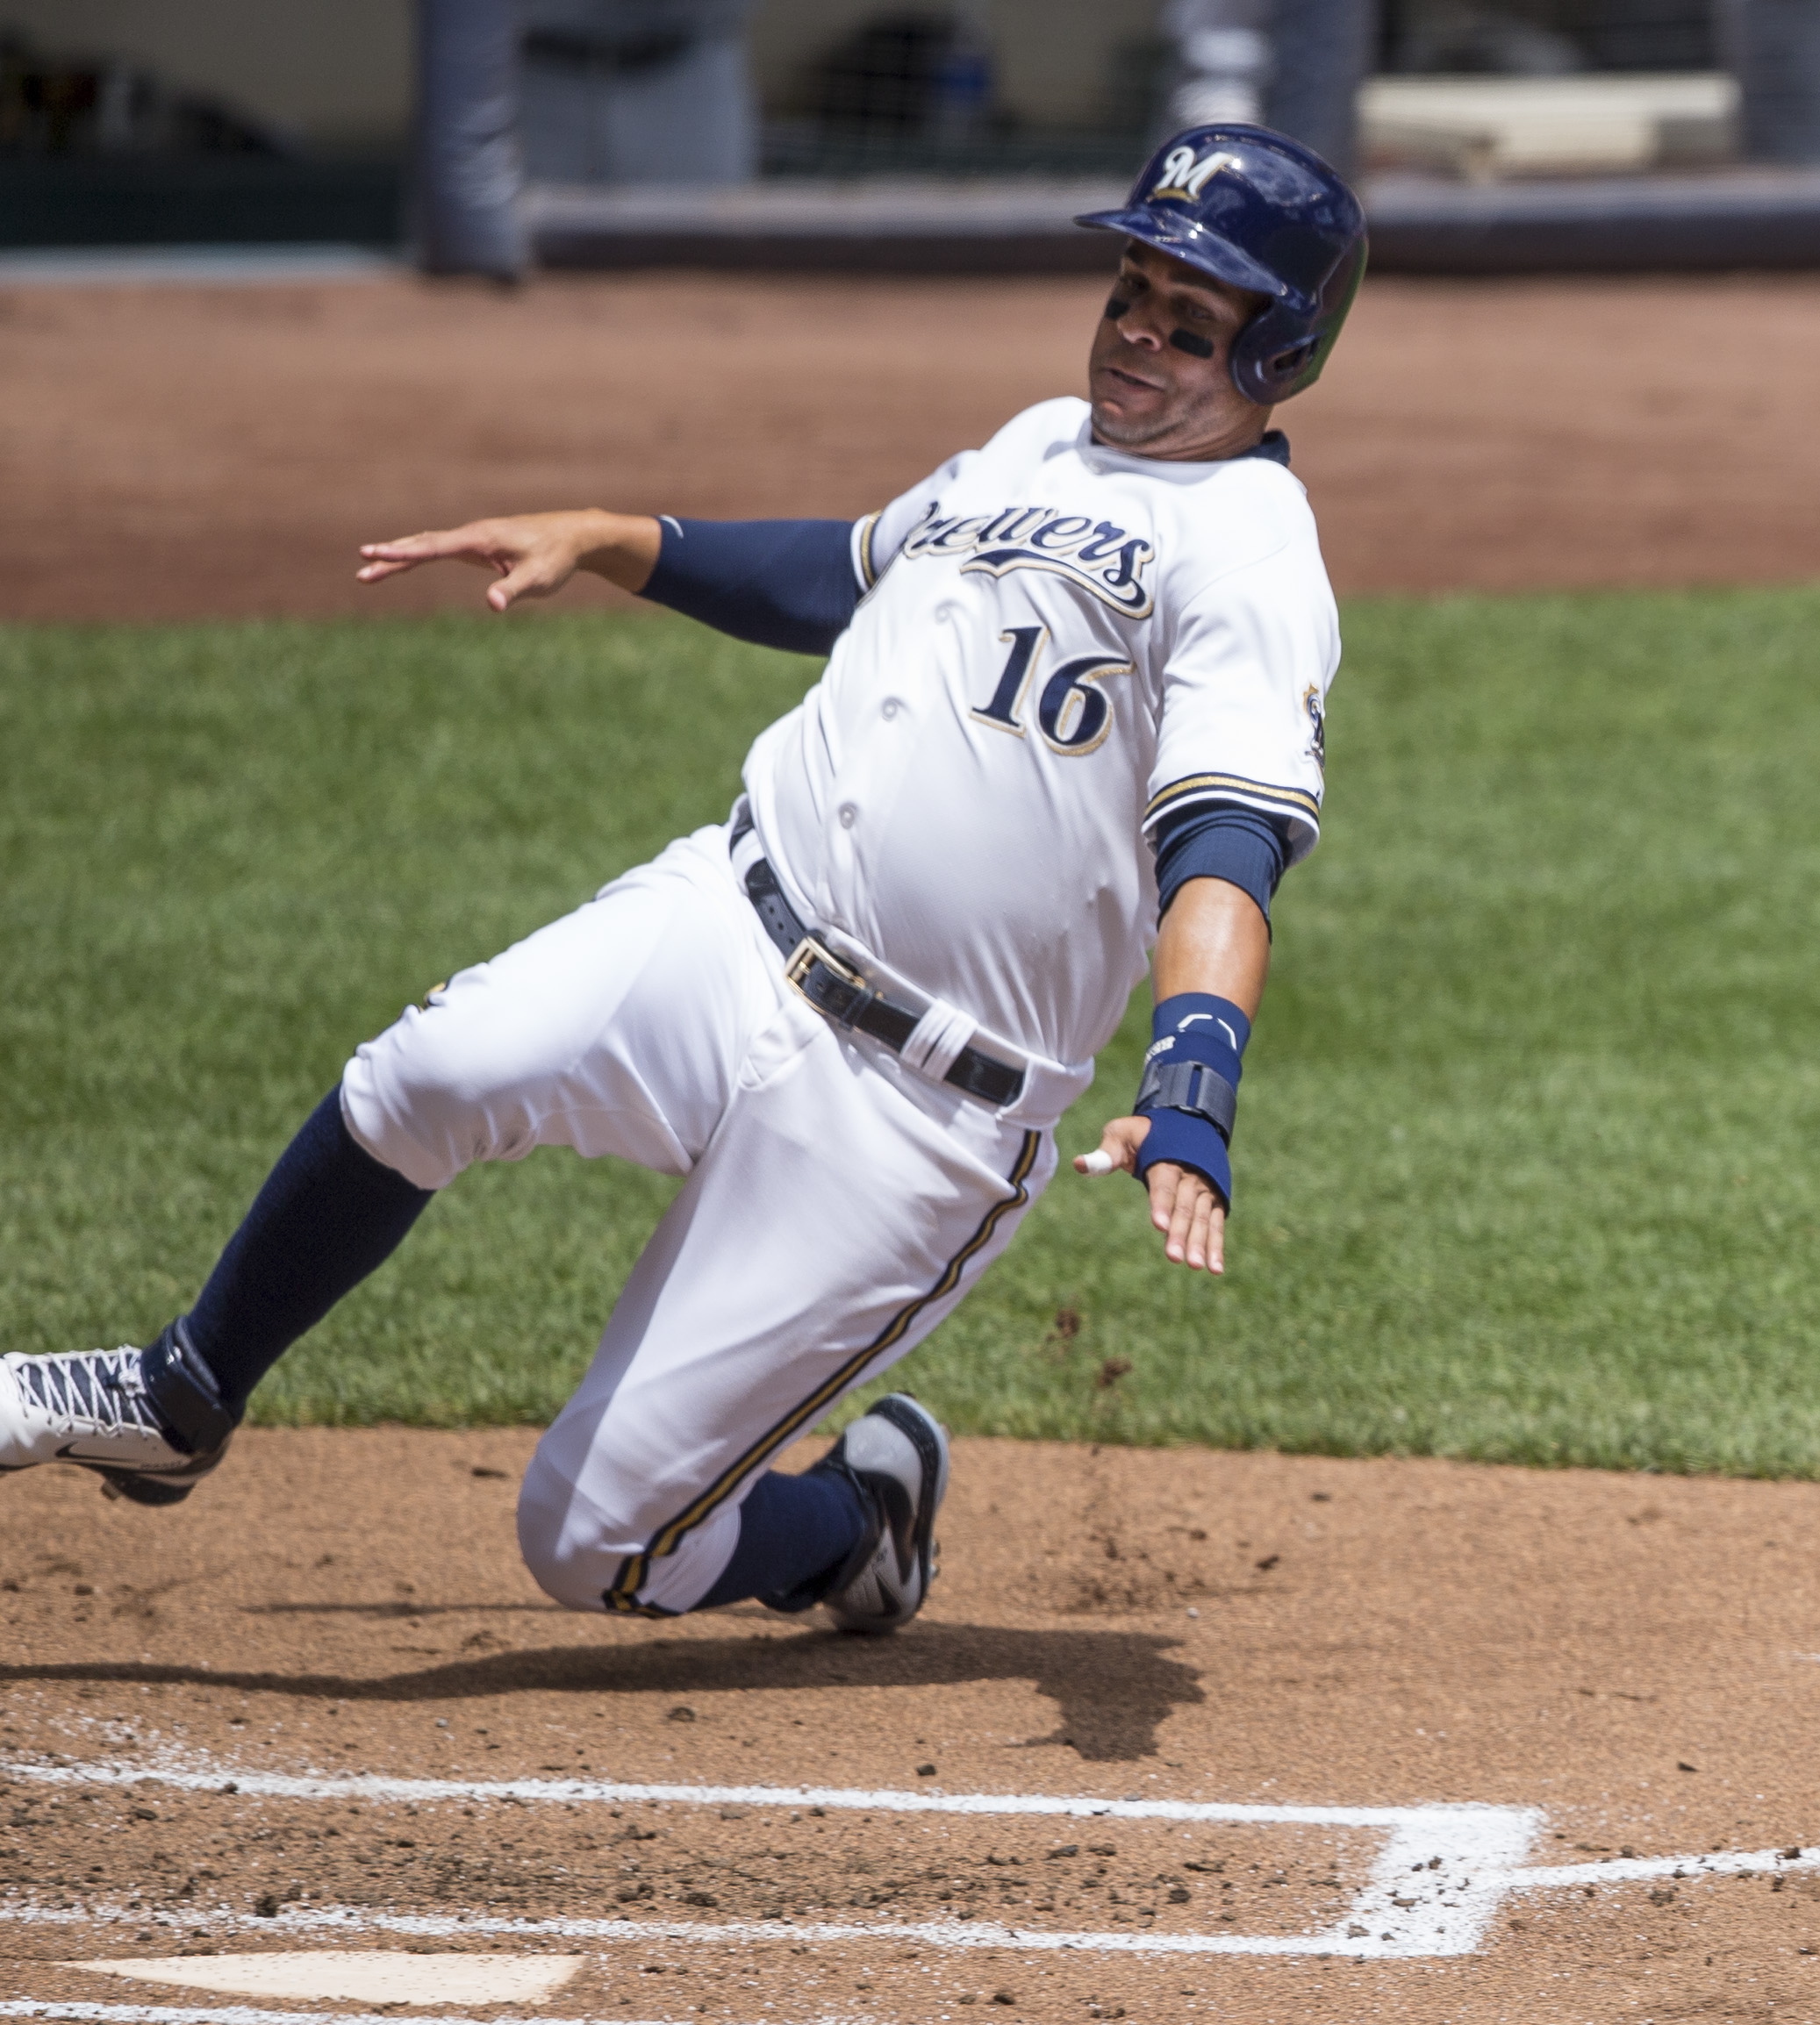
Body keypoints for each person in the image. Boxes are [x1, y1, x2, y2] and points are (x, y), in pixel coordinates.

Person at [0, 124, 1365, 1638]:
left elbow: (1225, 846)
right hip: (732, 920)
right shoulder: (1039, 440)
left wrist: (1195, 1080)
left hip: (917, 1110)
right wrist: (614, 538)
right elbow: (845, 576)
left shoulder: (1250, 555)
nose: (1136, 340)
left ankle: (860, 1518)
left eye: (1192, 323)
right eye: (1129, 293)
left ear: (1279, 355)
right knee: (426, 1075)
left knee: (590, 1537)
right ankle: (180, 1392)